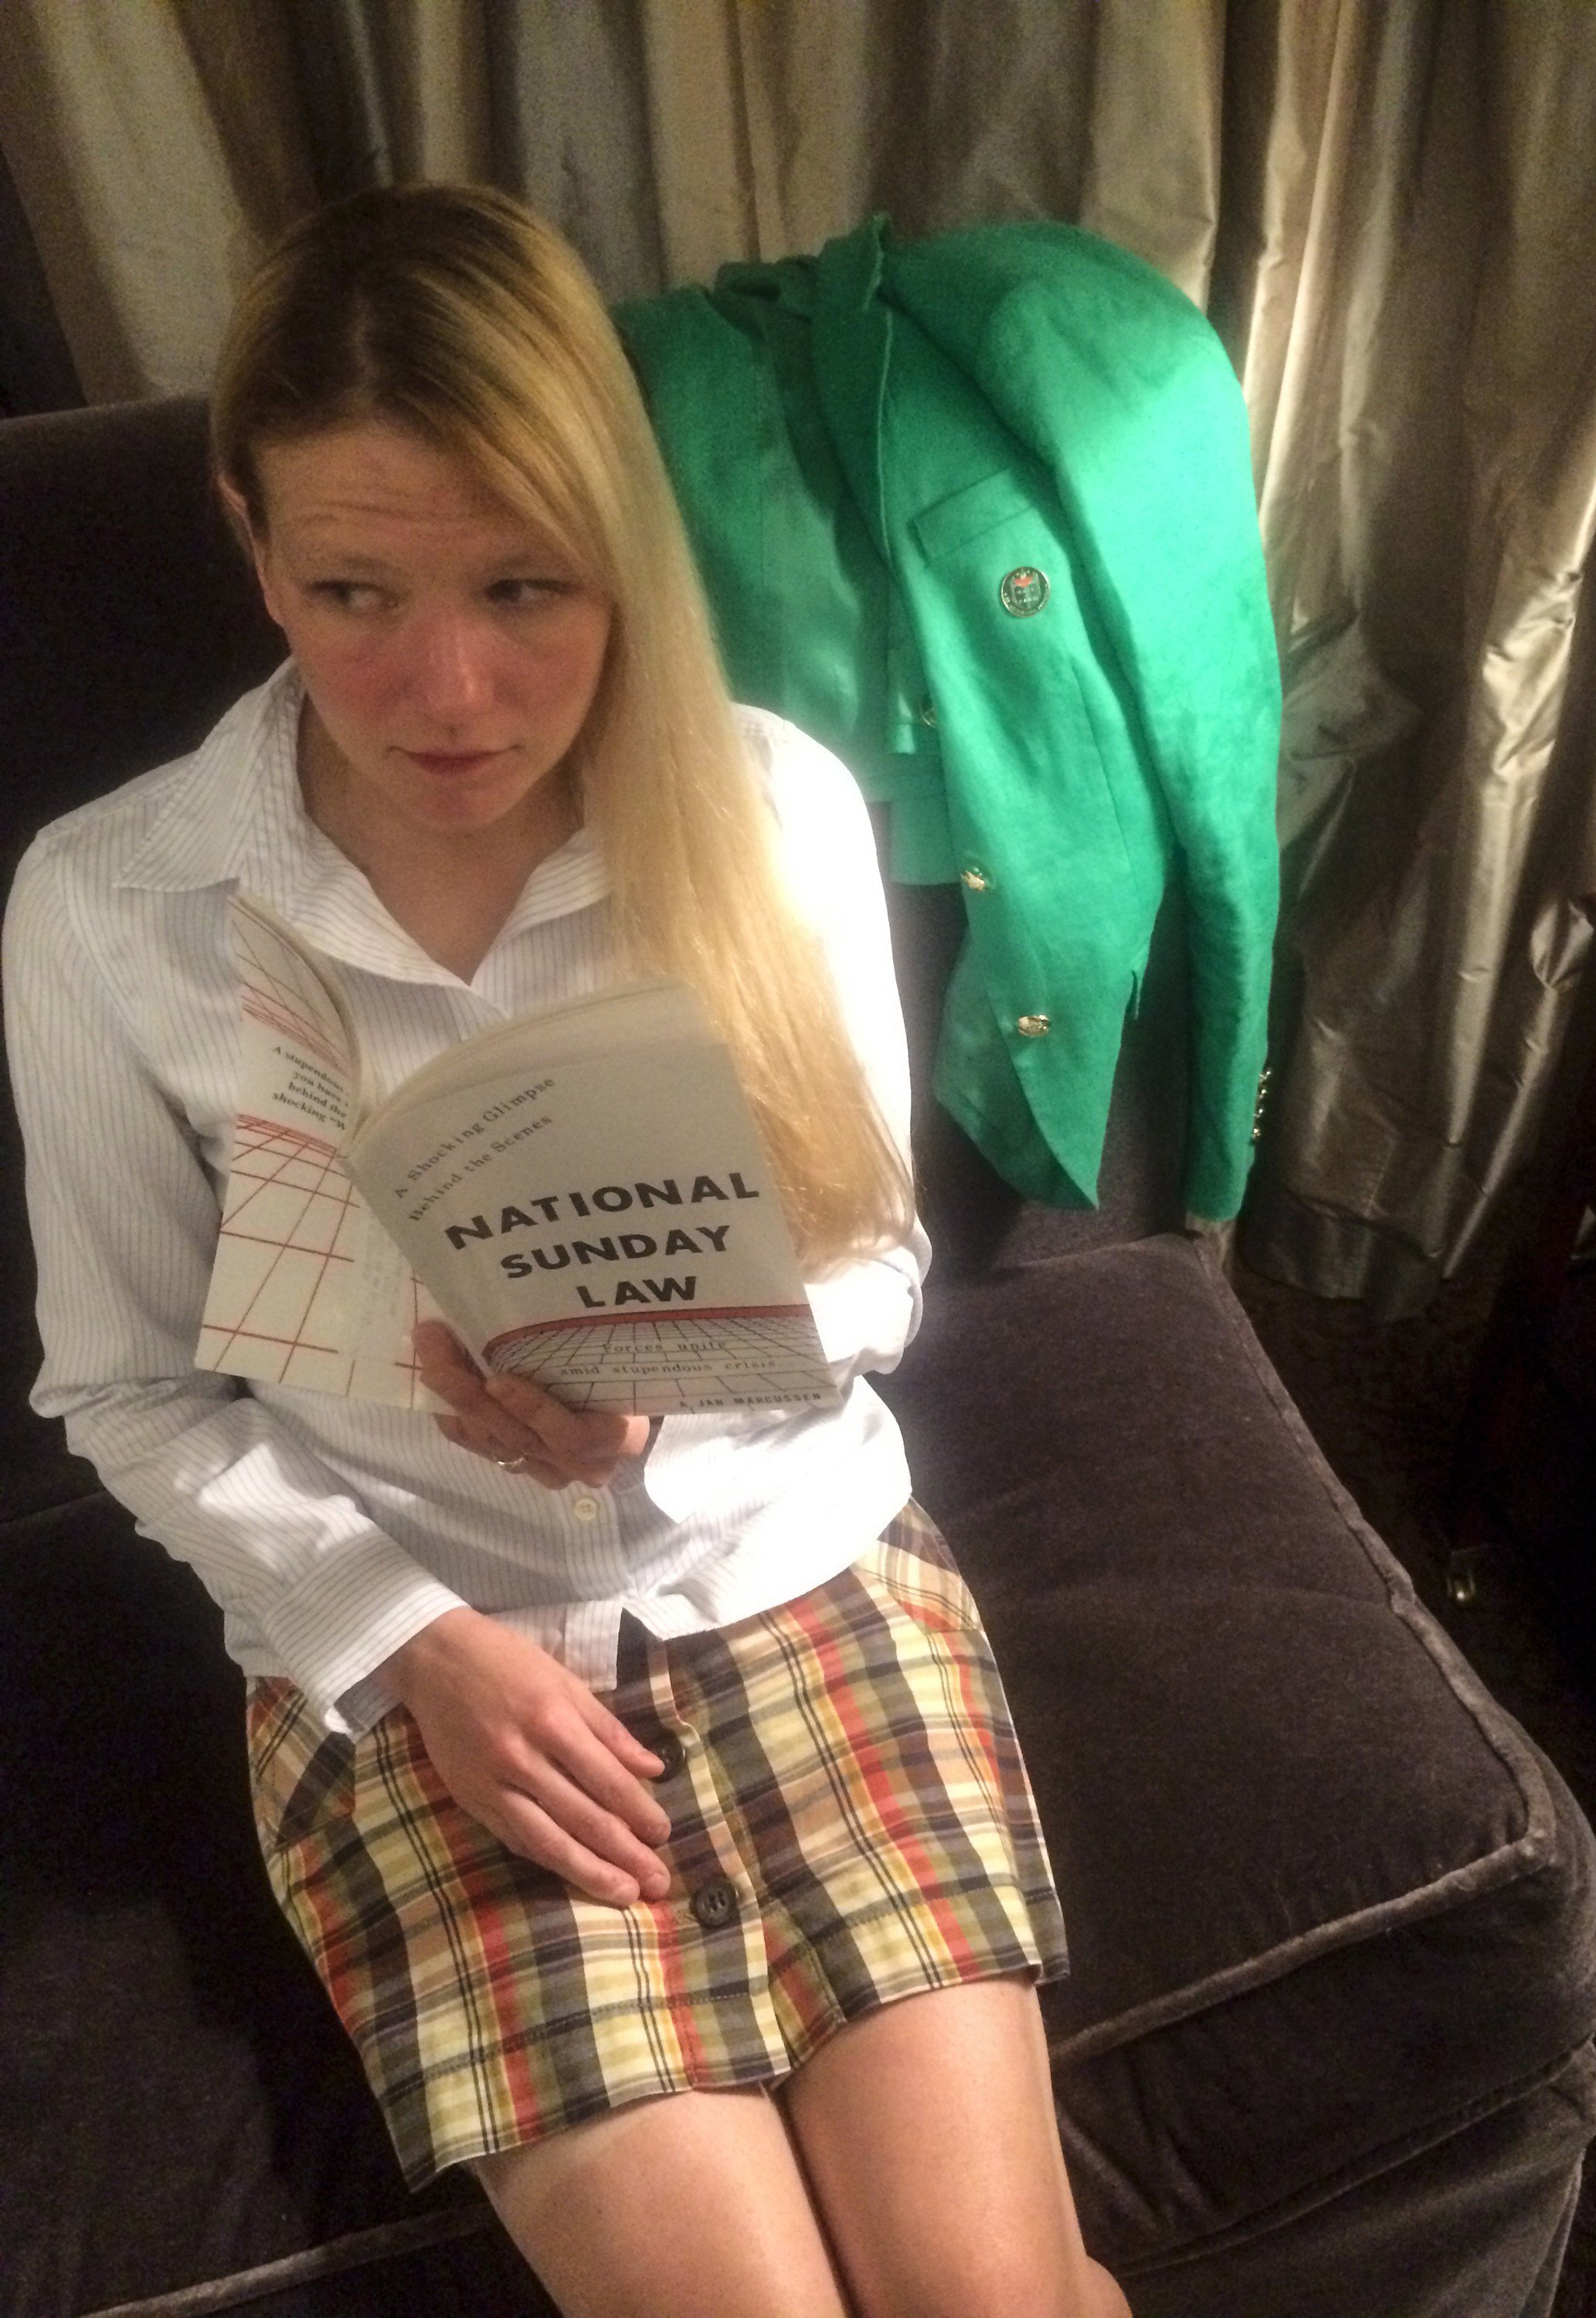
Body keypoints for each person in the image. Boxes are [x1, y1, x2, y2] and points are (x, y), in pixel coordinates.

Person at [4, 185, 1130, 2318]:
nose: (449, 689)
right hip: (421, 1649)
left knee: (993, 2294)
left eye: (526, 583)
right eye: (353, 592)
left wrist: (663, 1386)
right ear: (253, 542)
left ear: (621, 540)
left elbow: (876, 1274)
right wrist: (412, 1640)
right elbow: (128, 1386)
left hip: (790, 1565)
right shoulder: (112, 908)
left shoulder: (766, 807)